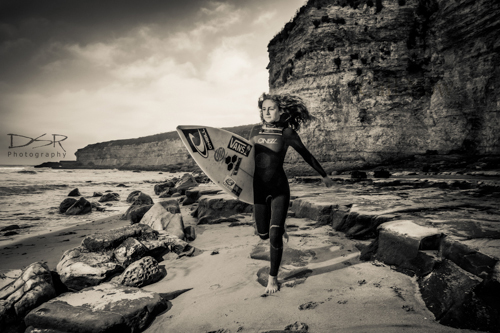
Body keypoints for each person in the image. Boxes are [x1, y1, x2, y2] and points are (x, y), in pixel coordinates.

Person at [248, 92, 333, 294]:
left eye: (271, 108)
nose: (267, 112)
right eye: (264, 109)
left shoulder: (286, 133)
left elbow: (306, 155)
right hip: (258, 189)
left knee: (274, 236)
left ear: (280, 111)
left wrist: (324, 175)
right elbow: (243, 159)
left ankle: (272, 278)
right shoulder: (254, 131)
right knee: (262, 234)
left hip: (279, 189)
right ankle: (280, 222)